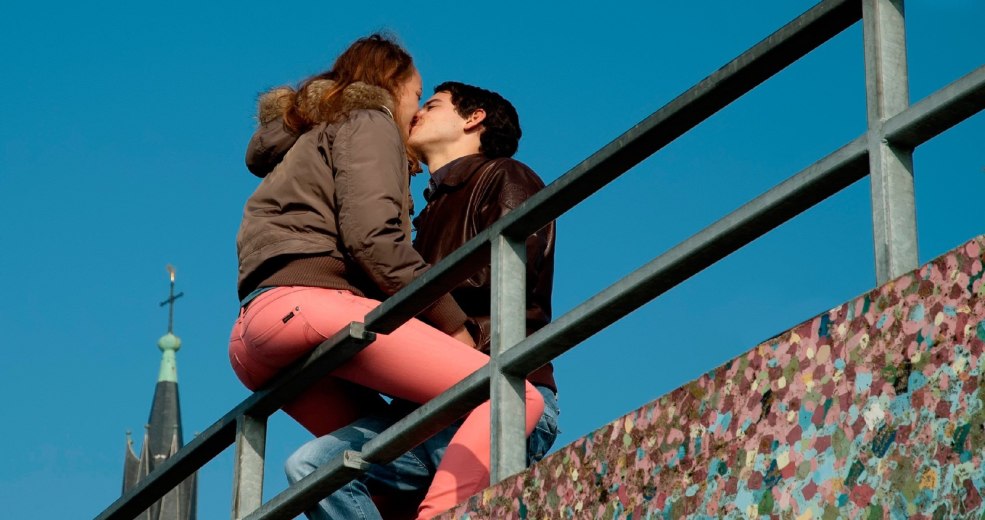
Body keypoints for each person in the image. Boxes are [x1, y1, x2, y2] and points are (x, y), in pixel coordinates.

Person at [228, 35, 545, 519]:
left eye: (427, 102)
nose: (414, 110)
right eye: (417, 95)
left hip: (252, 333)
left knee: (336, 465)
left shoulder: (315, 140)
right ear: (391, 84)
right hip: (310, 308)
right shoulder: (368, 120)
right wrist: (455, 327)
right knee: (512, 394)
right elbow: (375, 242)